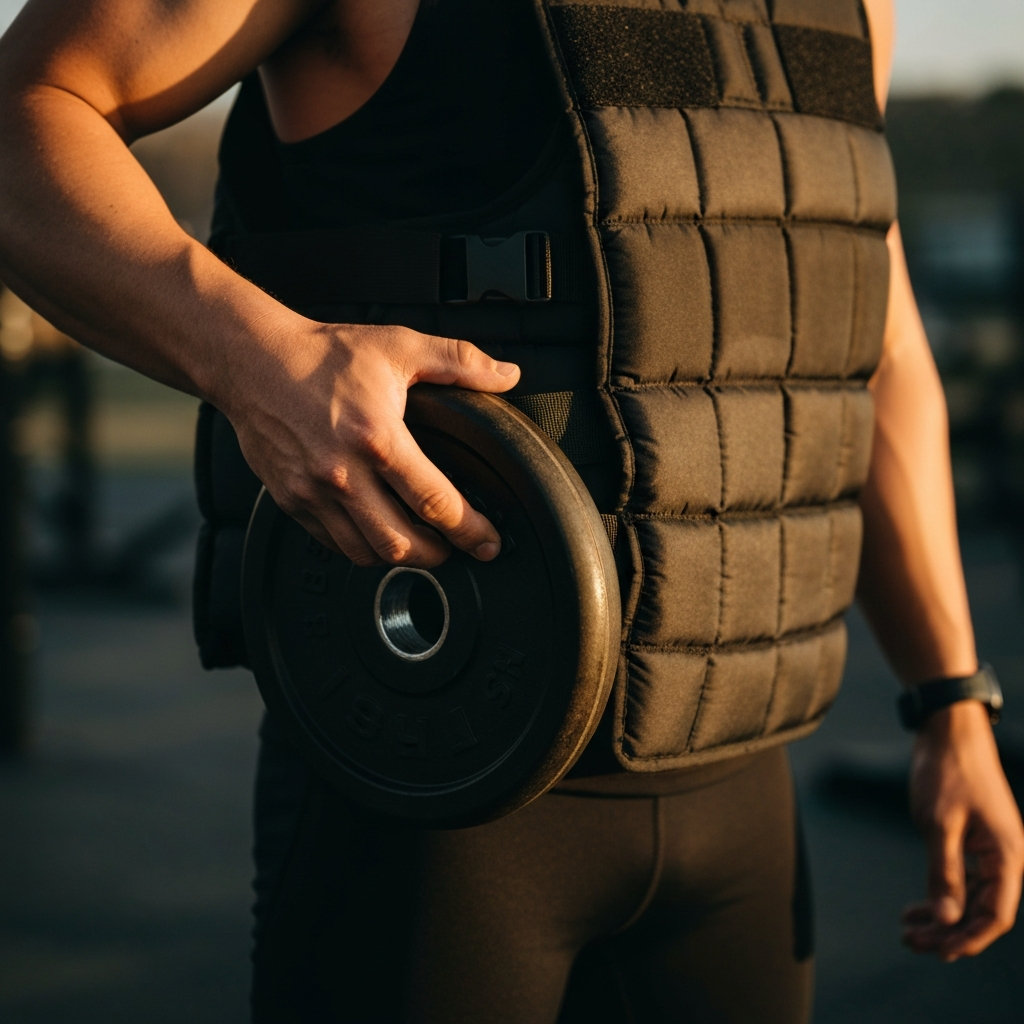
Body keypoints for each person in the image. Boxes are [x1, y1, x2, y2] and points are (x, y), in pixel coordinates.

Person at [0, 1, 1021, 1022]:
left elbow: (870, 342)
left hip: (743, 792)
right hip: (436, 789)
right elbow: (23, 117)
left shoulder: (853, 9)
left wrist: (951, 700)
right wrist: (256, 356)